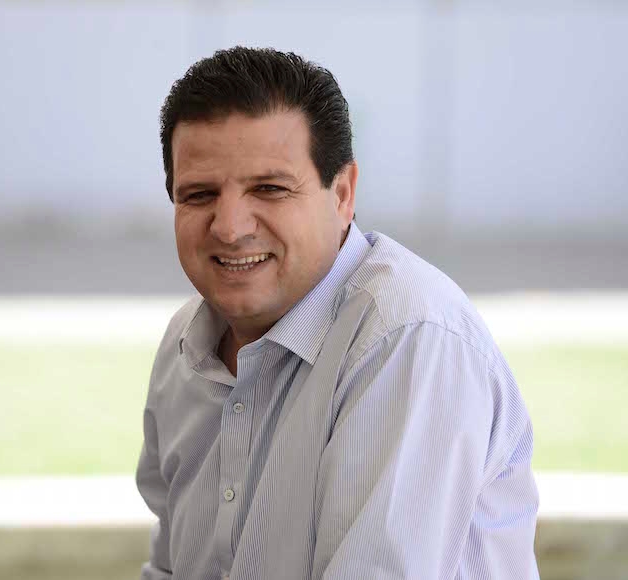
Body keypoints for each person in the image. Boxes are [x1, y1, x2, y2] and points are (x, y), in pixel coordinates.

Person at [136, 46, 539, 580]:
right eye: (199, 194)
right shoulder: (186, 343)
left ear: (343, 193)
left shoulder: (408, 340)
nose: (229, 226)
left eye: (270, 188)